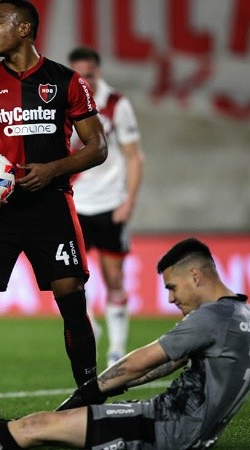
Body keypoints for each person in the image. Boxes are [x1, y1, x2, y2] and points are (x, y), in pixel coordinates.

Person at [0, 237, 250, 450]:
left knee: (38, 427)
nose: (171, 298)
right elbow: (169, 365)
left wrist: (88, 393)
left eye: (173, 287)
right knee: (39, 431)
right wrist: (106, 391)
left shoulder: (211, 317)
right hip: (179, 426)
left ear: (196, 276)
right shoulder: (243, 316)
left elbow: (141, 362)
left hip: (162, 429)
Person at [0, 0, 108, 412]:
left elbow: (98, 147)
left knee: (71, 297)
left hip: (50, 206)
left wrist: (52, 169)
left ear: (24, 28)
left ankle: (87, 397)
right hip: (0, 211)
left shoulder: (66, 81)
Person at [67, 46, 145, 368]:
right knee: (69, 277)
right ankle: (89, 324)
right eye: (78, 75)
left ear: (97, 72)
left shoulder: (116, 105)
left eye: (88, 74)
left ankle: (116, 347)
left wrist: (129, 201)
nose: (83, 80)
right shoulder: (63, 102)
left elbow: (133, 156)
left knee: (114, 277)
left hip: (110, 204)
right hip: (76, 203)